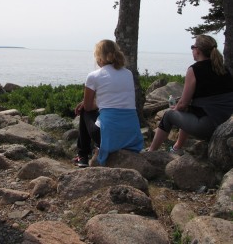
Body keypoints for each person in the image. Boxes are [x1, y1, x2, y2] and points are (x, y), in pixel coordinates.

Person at [148, 34, 233, 152]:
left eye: (193, 47)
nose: (192, 50)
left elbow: (183, 103)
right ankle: (177, 147)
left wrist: (174, 109)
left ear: (197, 50)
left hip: (209, 126)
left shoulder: (194, 69)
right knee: (189, 111)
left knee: (168, 115)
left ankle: (151, 151)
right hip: (227, 124)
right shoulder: (224, 69)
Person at [73, 39, 144, 167]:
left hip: (107, 136)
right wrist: (98, 104)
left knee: (84, 109)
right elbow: (115, 101)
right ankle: (86, 154)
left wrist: (87, 103)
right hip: (130, 135)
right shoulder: (128, 74)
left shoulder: (93, 76)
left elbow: (89, 107)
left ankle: (82, 156)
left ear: (99, 58)